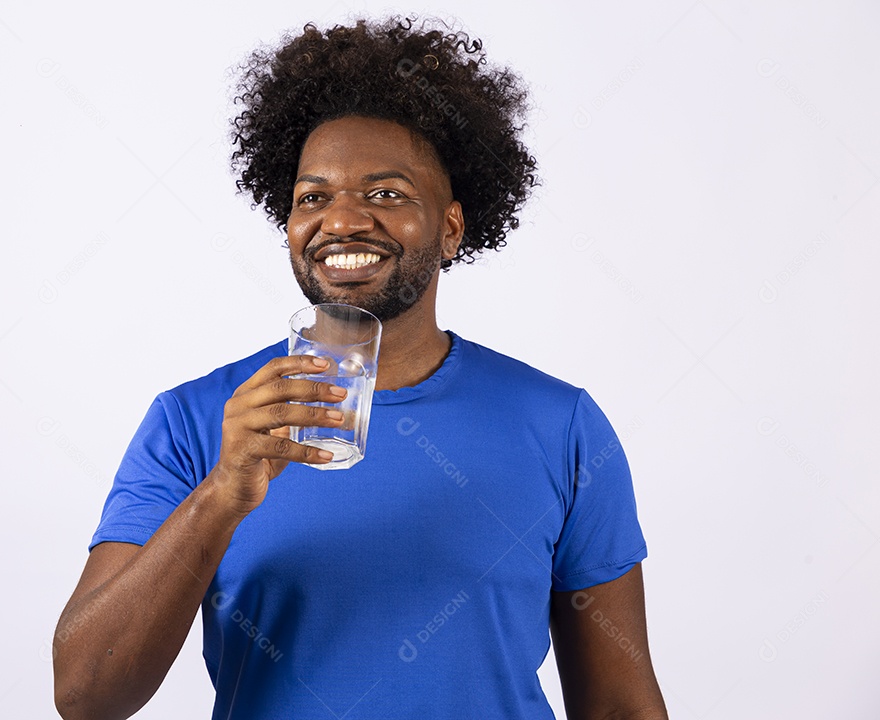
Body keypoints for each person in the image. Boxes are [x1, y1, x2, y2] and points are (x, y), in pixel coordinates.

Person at [53, 16, 668, 720]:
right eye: (313, 197)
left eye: (385, 193)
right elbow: (84, 695)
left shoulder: (561, 426)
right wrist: (221, 494)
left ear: (452, 228)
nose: (342, 220)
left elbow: (620, 705)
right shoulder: (194, 421)